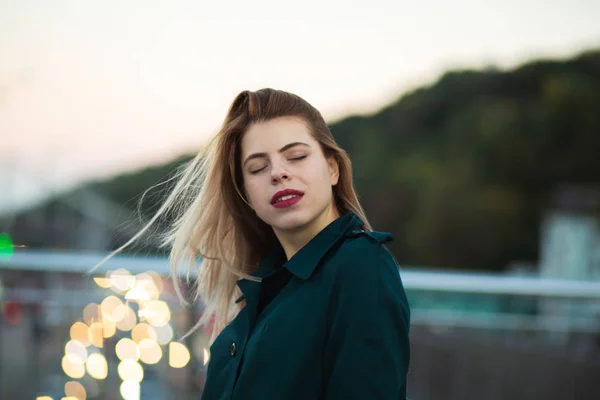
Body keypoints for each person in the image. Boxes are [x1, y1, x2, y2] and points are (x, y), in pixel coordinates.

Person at [100, 88, 411, 399]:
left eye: (297, 156)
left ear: (333, 168)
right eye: (258, 168)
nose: (278, 173)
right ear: (246, 194)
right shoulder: (261, 291)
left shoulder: (361, 267)